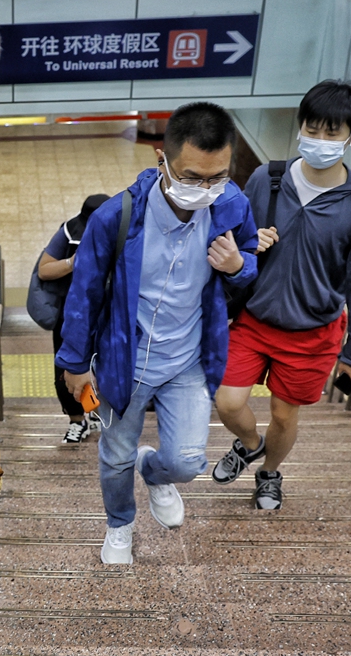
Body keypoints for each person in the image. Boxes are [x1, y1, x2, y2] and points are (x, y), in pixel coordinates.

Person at [57, 102, 259, 565]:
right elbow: (84, 293)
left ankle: (155, 470)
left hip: (187, 361)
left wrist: (239, 266)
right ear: (161, 160)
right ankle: (120, 524)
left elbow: (247, 260)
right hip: (123, 361)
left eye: (217, 177)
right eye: (192, 178)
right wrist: (73, 365)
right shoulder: (117, 218)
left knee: (188, 461)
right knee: (114, 457)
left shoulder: (231, 207)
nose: (205, 190)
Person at [211, 80, 351, 511]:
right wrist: (252, 247)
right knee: (227, 401)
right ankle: (249, 444)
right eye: (312, 129)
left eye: (332, 133)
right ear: (300, 126)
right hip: (253, 318)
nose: (319, 140)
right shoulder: (266, 179)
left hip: (313, 333)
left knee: (285, 416)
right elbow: (230, 240)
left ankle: (269, 473)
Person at [38, 194, 110, 443]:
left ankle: (100, 417)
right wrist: (73, 262)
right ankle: (77, 420)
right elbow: (44, 270)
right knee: (67, 369)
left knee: (105, 369)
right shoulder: (68, 232)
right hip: (70, 316)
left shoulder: (123, 232)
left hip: (110, 315)